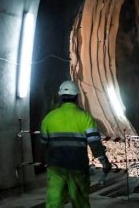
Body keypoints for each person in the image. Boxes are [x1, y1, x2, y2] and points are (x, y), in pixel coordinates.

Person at [41, 80, 112, 208]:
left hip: (56, 168)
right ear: (76, 96)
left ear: (61, 96)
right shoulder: (85, 118)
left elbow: (44, 143)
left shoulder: (49, 118)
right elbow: (95, 144)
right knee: (80, 203)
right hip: (77, 167)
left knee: (53, 203)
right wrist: (104, 162)